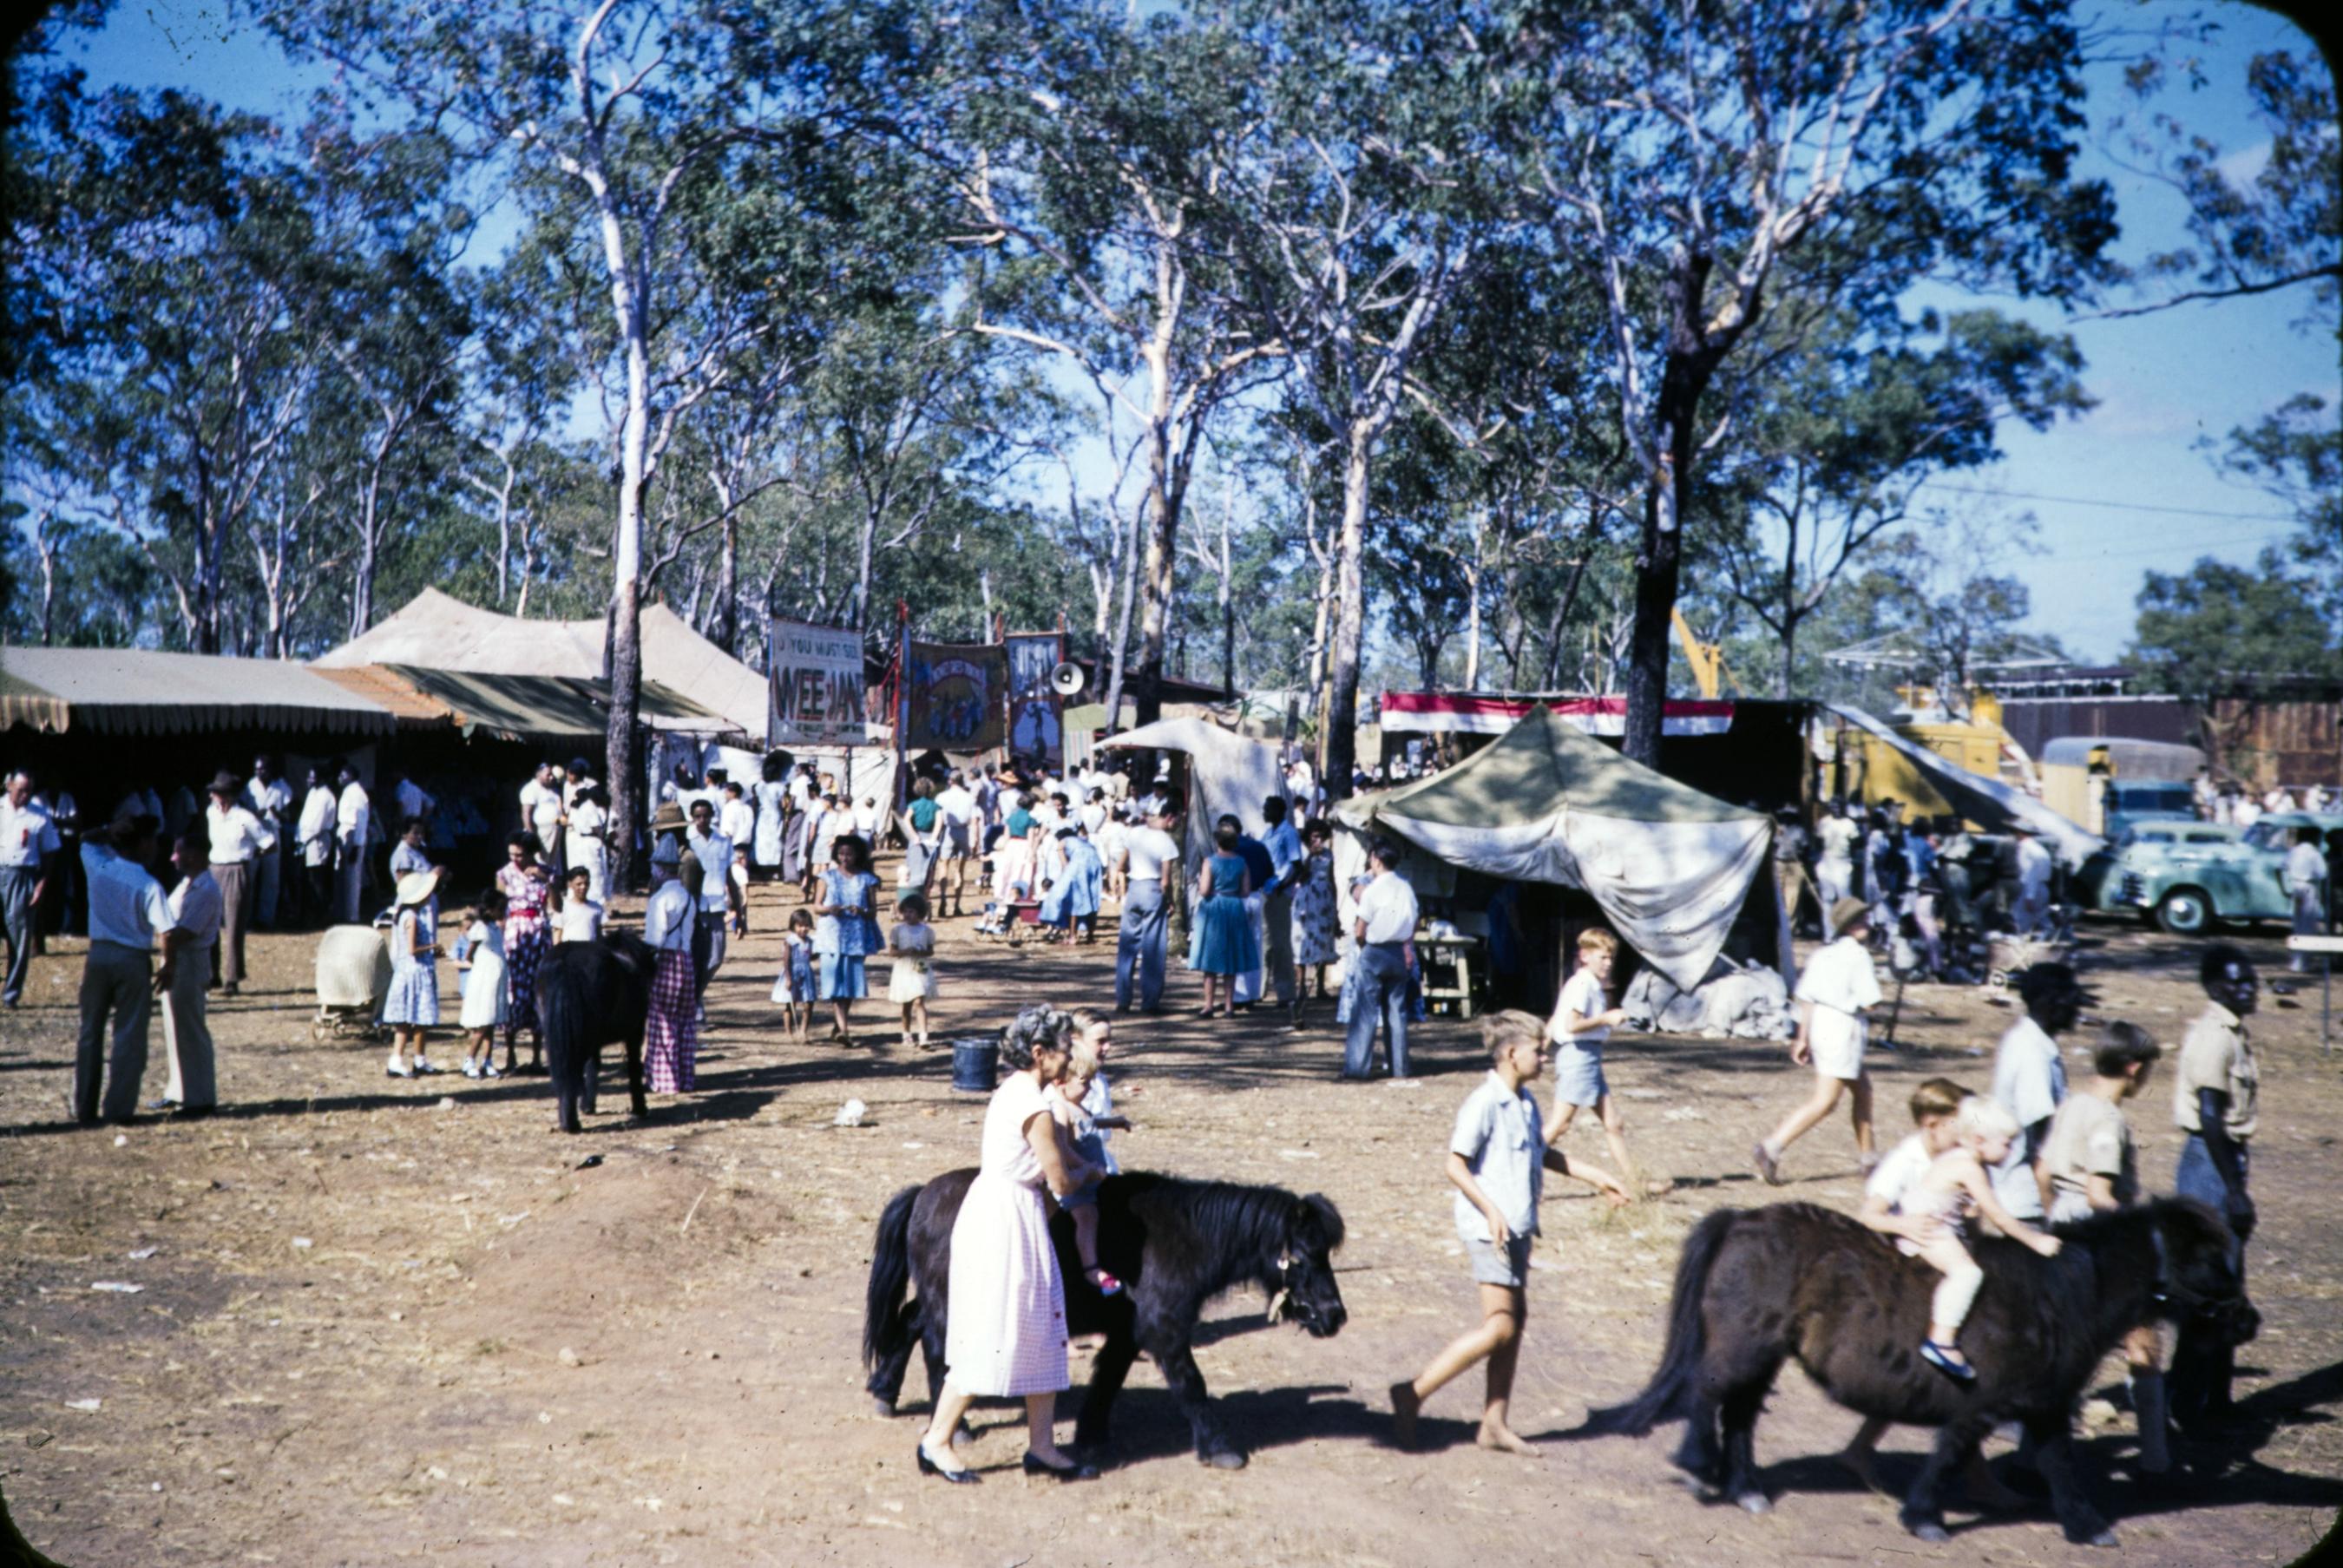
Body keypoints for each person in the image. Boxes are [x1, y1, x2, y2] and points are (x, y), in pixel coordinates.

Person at [1389, 1011, 1628, 1454]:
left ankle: (1494, 1423)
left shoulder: (1526, 1103)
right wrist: (1490, 1209)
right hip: (1489, 1230)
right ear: (1511, 1054)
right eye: (1539, 1051)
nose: (1546, 1057)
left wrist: (1598, 1177)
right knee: (1500, 1327)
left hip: (1517, 1226)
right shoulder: (1484, 1102)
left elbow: (1543, 1156)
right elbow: (1454, 1164)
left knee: (1513, 1325)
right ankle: (1413, 1392)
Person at [916, 1005, 1097, 1484]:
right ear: (1039, 1054)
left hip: (1014, 1214)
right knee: (994, 1334)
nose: (1068, 1059)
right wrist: (1092, 1172)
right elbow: (1059, 1177)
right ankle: (936, 1440)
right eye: (1062, 1051)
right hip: (1005, 1221)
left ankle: (1041, 1445)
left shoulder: (1019, 1090)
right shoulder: (1031, 1105)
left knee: (1040, 1328)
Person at [1892, 1095, 2064, 1381]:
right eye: (2007, 1143)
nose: (2011, 1151)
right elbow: (1999, 1217)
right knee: (1966, 1273)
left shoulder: (1967, 1161)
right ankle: (1941, 1340)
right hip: (1930, 1227)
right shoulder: (1969, 1167)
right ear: (1980, 1140)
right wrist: (2036, 1241)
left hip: (1944, 1223)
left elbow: (1971, 1212)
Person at [2169, 943, 2259, 1432]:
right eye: (2237, 982)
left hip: (2226, 1158)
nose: (2250, 990)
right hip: (2211, 1162)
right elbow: (2209, 1118)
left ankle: (2218, 1401)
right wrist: (2234, 1191)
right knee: (2208, 1288)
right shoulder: (2214, 1038)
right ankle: (2187, 1405)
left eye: (2252, 981)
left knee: (2228, 1283)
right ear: (2214, 987)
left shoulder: (2234, 1032)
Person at [1755, 897, 1881, 1184]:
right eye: (1861, 920)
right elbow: (1871, 1001)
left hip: (1821, 1027)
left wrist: (1802, 1038)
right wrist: (1870, 1006)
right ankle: (1772, 1146)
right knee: (1825, 1101)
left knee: (1863, 1090)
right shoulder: (1858, 956)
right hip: (1843, 1028)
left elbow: (1806, 999)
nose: (1867, 925)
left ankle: (1869, 1157)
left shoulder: (1823, 955)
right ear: (1848, 926)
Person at [73, 812, 174, 1125]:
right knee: (129, 1036)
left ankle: (85, 1107)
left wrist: (110, 828)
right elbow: (166, 931)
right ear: (143, 843)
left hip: (99, 955)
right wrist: (168, 964)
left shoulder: (100, 866)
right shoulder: (147, 884)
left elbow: (86, 838)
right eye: (153, 840)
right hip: (132, 959)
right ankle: (118, 1108)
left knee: (90, 1033)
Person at [1546, 928, 1645, 1199]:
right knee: (1559, 1125)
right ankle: (1516, 1167)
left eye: (1611, 959)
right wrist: (1606, 1018)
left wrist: (1543, 1046)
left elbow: (1555, 1019)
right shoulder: (1584, 985)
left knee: (1613, 1122)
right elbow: (1571, 1024)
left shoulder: (1584, 983)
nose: (1608, 964)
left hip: (1590, 1056)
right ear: (1585, 956)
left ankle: (1636, 1184)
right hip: (1578, 1056)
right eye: (1602, 958)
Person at [1991, 963, 2079, 1222]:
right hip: (2028, 1196)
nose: (2077, 1010)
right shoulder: (2033, 1056)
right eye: (2071, 1002)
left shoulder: (2030, 1040)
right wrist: (2051, 1203)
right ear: (2049, 1004)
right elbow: (2040, 1135)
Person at [1049, 1034, 1127, 1296]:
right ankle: (1091, 1268)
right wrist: (1087, 1167)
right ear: (1061, 1081)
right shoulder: (1061, 1110)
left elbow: (1092, 1124)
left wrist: (1115, 1122)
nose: (1089, 1088)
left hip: (1094, 1179)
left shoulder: (1078, 1106)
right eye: (1084, 1082)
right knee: (1087, 1216)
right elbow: (1062, 1147)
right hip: (1078, 1183)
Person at [157, 832, 223, 1118]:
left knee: (191, 1029)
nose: (172, 858)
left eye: (178, 852)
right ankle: (179, 1091)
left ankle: (200, 1098)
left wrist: (165, 939)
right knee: (174, 1027)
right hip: (175, 959)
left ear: (193, 856)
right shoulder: (187, 884)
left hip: (190, 960)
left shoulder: (207, 890)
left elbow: (183, 932)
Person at [1346, 842, 1419, 1080]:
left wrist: (1363, 948)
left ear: (1376, 860)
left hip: (1374, 949)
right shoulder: (1406, 888)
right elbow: (1414, 923)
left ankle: (1358, 1067)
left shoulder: (1373, 890)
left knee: (1364, 1012)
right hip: (1398, 951)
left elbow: (1359, 930)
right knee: (1396, 1012)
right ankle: (1400, 1068)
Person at [204, 771, 275, 995]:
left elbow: (270, 843)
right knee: (210, 923)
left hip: (237, 868)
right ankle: (211, 974)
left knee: (234, 926)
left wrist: (252, 857)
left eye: (217, 793)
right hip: (215, 868)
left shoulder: (245, 818)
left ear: (228, 795)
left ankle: (232, 978)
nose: (213, 796)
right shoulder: (211, 814)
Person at [642, 854, 702, 1094]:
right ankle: (686, 1077)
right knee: (686, 1022)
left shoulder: (660, 899)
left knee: (663, 1021)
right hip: (685, 962)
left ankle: (664, 1080)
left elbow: (654, 939)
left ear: (659, 870)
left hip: (665, 960)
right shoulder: (688, 897)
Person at [813, 834, 882, 1046]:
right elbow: (816, 906)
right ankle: (843, 1029)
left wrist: (861, 910)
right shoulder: (826, 877)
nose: (845, 858)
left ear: (857, 855)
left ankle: (839, 1025)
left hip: (856, 936)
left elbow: (873, 912)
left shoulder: (867, 879)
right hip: (832, 935)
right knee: (834, 983)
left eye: (849, 854)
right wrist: (829, 909)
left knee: (851, 984)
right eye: (841, 854)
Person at [1, 769, 61, 1008]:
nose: (25, 795)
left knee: (20, 938)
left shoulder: (39, 816)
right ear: (9, 787)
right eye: (21, 790)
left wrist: (40, 885)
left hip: (23, 875)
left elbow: (50, 854)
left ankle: (11, 994)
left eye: (29, 790)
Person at [1113, 806, 1180, 1014]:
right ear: (1170, 816)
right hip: (1153, 889)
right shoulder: (1166, 842)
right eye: (1177, 820)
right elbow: (1166, 881)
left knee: (1127, 947)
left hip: (1134, 889)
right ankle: (1149, 1001)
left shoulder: (1134, 833)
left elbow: (1121, 864)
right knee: (1153, 948)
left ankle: (1123, 999)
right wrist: (1170, 901)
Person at [496, 832, 551, 1073]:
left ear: (530, 853)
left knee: (538, 990)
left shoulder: (545, 871)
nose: (515, 859)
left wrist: (546, 880)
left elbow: (555, 905)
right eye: (512, 854)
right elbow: (499, 911)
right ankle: (510, 1055)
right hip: (515, 936)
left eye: (520, 854)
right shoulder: (504, 874)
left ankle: (538, 1057)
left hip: (538, 934)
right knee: (513, 990)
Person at [1191, 820, 1258, 1019]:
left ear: (1217, 841)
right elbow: (1246, 891)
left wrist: (1212, 889)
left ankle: (1209, 1005)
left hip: (1214, 907)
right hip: (1234, 906)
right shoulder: (1241, 863)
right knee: (1230, 959)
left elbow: (1203, 890)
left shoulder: (1210, 862)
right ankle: (1229, 1006)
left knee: (1211, 960)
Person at [382, 867, 443, 1079]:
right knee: (410, 1019)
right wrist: (433, 947)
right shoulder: (412, 917)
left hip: (413, 971)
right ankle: (400, 1059)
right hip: (414, 972)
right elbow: (412, 949)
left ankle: (417, 1058)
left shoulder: (408, 914)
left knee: (415, 1019)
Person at [1287, 820, 1339, 1024]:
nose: (1317, 840)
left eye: (1320, 837)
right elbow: (1300, 875)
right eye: (1314, 836)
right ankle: (1300, 987)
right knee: (1300, 941)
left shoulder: (1329, 855)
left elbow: (1332, 878)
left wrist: (1335, 906)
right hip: (1306, 898)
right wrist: (1310, 857)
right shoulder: (1301, 852)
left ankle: (1320, 987)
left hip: (1324, 899)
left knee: (1322, 939)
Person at [456, 887, 509, 1079]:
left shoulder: (496, 928)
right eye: (500, 908)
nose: (503, 912)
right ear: (489, 909)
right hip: (484, 979)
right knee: (481, 1024)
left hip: (497, 980)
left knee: (491, 1023)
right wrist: (484, 967)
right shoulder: (480, 928)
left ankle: (487, 1061)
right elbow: (469, 954)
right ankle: (469, 1060)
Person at [685, 798, 733, 1004]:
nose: (702, 820)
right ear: (692, 817)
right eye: (698, 816)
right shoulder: (689, 842)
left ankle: (696, 996)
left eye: (706, 815)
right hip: (695, 908)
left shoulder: (723, 842)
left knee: (716, 958)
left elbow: (729, 877)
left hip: (717, 908)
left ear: (712, 815)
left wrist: (741, 911)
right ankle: (696, 1006)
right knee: (697, 958)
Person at [241, 757, 292, 931]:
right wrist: (255, 813)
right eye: (257, 769)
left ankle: (266, 918)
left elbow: (288, 815)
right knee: (250, 877)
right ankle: (247, 918)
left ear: (269, 770)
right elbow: (241, 810)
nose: (259, 772)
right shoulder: (250, 786)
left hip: (272, 832)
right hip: (254, 834)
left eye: (262, 769)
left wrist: (275, 812)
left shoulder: (280, 787)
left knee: (271, 879)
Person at [887, 890, 939, 1051]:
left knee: (919, 1000)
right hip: (904, 969)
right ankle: (906, 1033)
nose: (908, 915)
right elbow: (893, 952)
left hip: (920, 968)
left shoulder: (926, 930)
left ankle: (923, 1035)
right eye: (906, 911)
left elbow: (931, 951)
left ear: (920, 913)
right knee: (907, 1003)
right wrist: (905, 951)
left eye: (912, 911)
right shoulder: (898, 930)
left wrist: (921, 952)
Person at [1039, 825, 1103, 942]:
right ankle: (1090, 936)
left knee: (1073, 900)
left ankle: (1072, 936)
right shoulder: (1084, 842)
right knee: (1092, 898)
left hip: (1080, 866)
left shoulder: (1062, 842)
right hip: (1096, 864)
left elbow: (1065, 865)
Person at [296, 765, 338, 928]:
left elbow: (317, 824)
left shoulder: (326, 796)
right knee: (305, 880)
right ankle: (308, 914)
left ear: (320, 778)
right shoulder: (313, 793)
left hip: (316, 841)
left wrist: (304, 841)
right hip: (305, 841)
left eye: (312, 777)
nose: (308, 780)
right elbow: (305, 819)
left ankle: (322, 915)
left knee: (317, 880)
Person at [935, 771, 980, 917]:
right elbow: (974, 820)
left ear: (950, 781)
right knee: (959, 870)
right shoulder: (969, 798)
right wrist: (975, 840)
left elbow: (939, 818)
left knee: (944, 866)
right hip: (963, 831)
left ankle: (942, 899)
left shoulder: (942, 797)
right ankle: (956, 904)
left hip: (949, 831)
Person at [333, 763, 371, 925]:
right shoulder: (348, 792)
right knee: (343, 878)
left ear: (351, 776)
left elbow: (360, 821)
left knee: (352, 879)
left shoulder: (357, 794)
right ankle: (343, 914)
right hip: (344, 837)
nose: (339, 778)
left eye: (343, 775)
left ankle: (352, 917)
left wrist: (356, 845)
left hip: (353, 839)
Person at [2285, 825, 2327, 971]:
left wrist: (2284, 888)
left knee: (2297, 925)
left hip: (2295, 887)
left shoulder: (2294, 851)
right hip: (2309, 887)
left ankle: (2296, 961)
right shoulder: (2313, 853)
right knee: (2308, 925)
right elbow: (2323, 873)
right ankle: (2303, 963)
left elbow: (2282, 868)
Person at [771, 907, 817, 1040]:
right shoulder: (790, 941)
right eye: (800, 926)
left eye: (806, 926)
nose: (803, 929)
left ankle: (803, 1031)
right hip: (793, 973)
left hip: (806, 974)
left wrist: (818, 954)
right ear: (793, 926)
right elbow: (786, 960)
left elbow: (809, 956)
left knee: (809, 1003)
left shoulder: (810, 941)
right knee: (790, 1004)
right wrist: (788, 978)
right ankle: (789, 1033)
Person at [1815, 802, 1858, 935]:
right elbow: (1818, 842)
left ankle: (1846, 932)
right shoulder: (1824, 822)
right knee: (1827, 900)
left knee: (1844, 899)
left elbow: (1855, 843)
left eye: (1839, 807)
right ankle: (1829, 935)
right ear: (1830, 808)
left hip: (1843, 862)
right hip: (1827, 862)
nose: (1836, 809)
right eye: (1833, 807)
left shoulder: (1849, 824)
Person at [564, 784, 609, 905]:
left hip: (583, 842)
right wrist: (606, 841)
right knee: (595, 874)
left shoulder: (583, 806)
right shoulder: (590, 806)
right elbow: (596, 828)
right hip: (591, 842)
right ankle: (597, 902)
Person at [2009, 823, 2053, 935]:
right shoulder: (2038, 848)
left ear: (2021, 833)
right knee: (2042, 919)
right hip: (2043, 887)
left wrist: (2030, 896)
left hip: (2030, 888)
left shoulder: (2025, 848)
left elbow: (2030, 873)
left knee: (2021, 921)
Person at [901, 777, 942, 896]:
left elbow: (906, 820)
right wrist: (934, 837)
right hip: (930, 838)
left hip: (917, 837)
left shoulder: (913, 805)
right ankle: (925, 895)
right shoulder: (935, 806)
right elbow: (939, 822)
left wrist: (914, 836)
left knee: (913, 866)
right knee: (929, 868)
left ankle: (913, 894)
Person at [751, 756, 791, 882]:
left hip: (762, 815)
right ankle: (774, 869)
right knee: (775, 840)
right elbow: (784, 804)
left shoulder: (759, 786)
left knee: (762, 841)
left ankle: (762, 868)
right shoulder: (780, 787)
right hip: (775, 815)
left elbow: (755, 801)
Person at [554, 864, 604, 944]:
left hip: (590, 950)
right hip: (570, 951)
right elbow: (557, 935)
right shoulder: (563, 907)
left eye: (586, 883)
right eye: (579, 884)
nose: (583, 887)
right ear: (570, 885)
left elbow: (599, 934)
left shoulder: (596, 907)